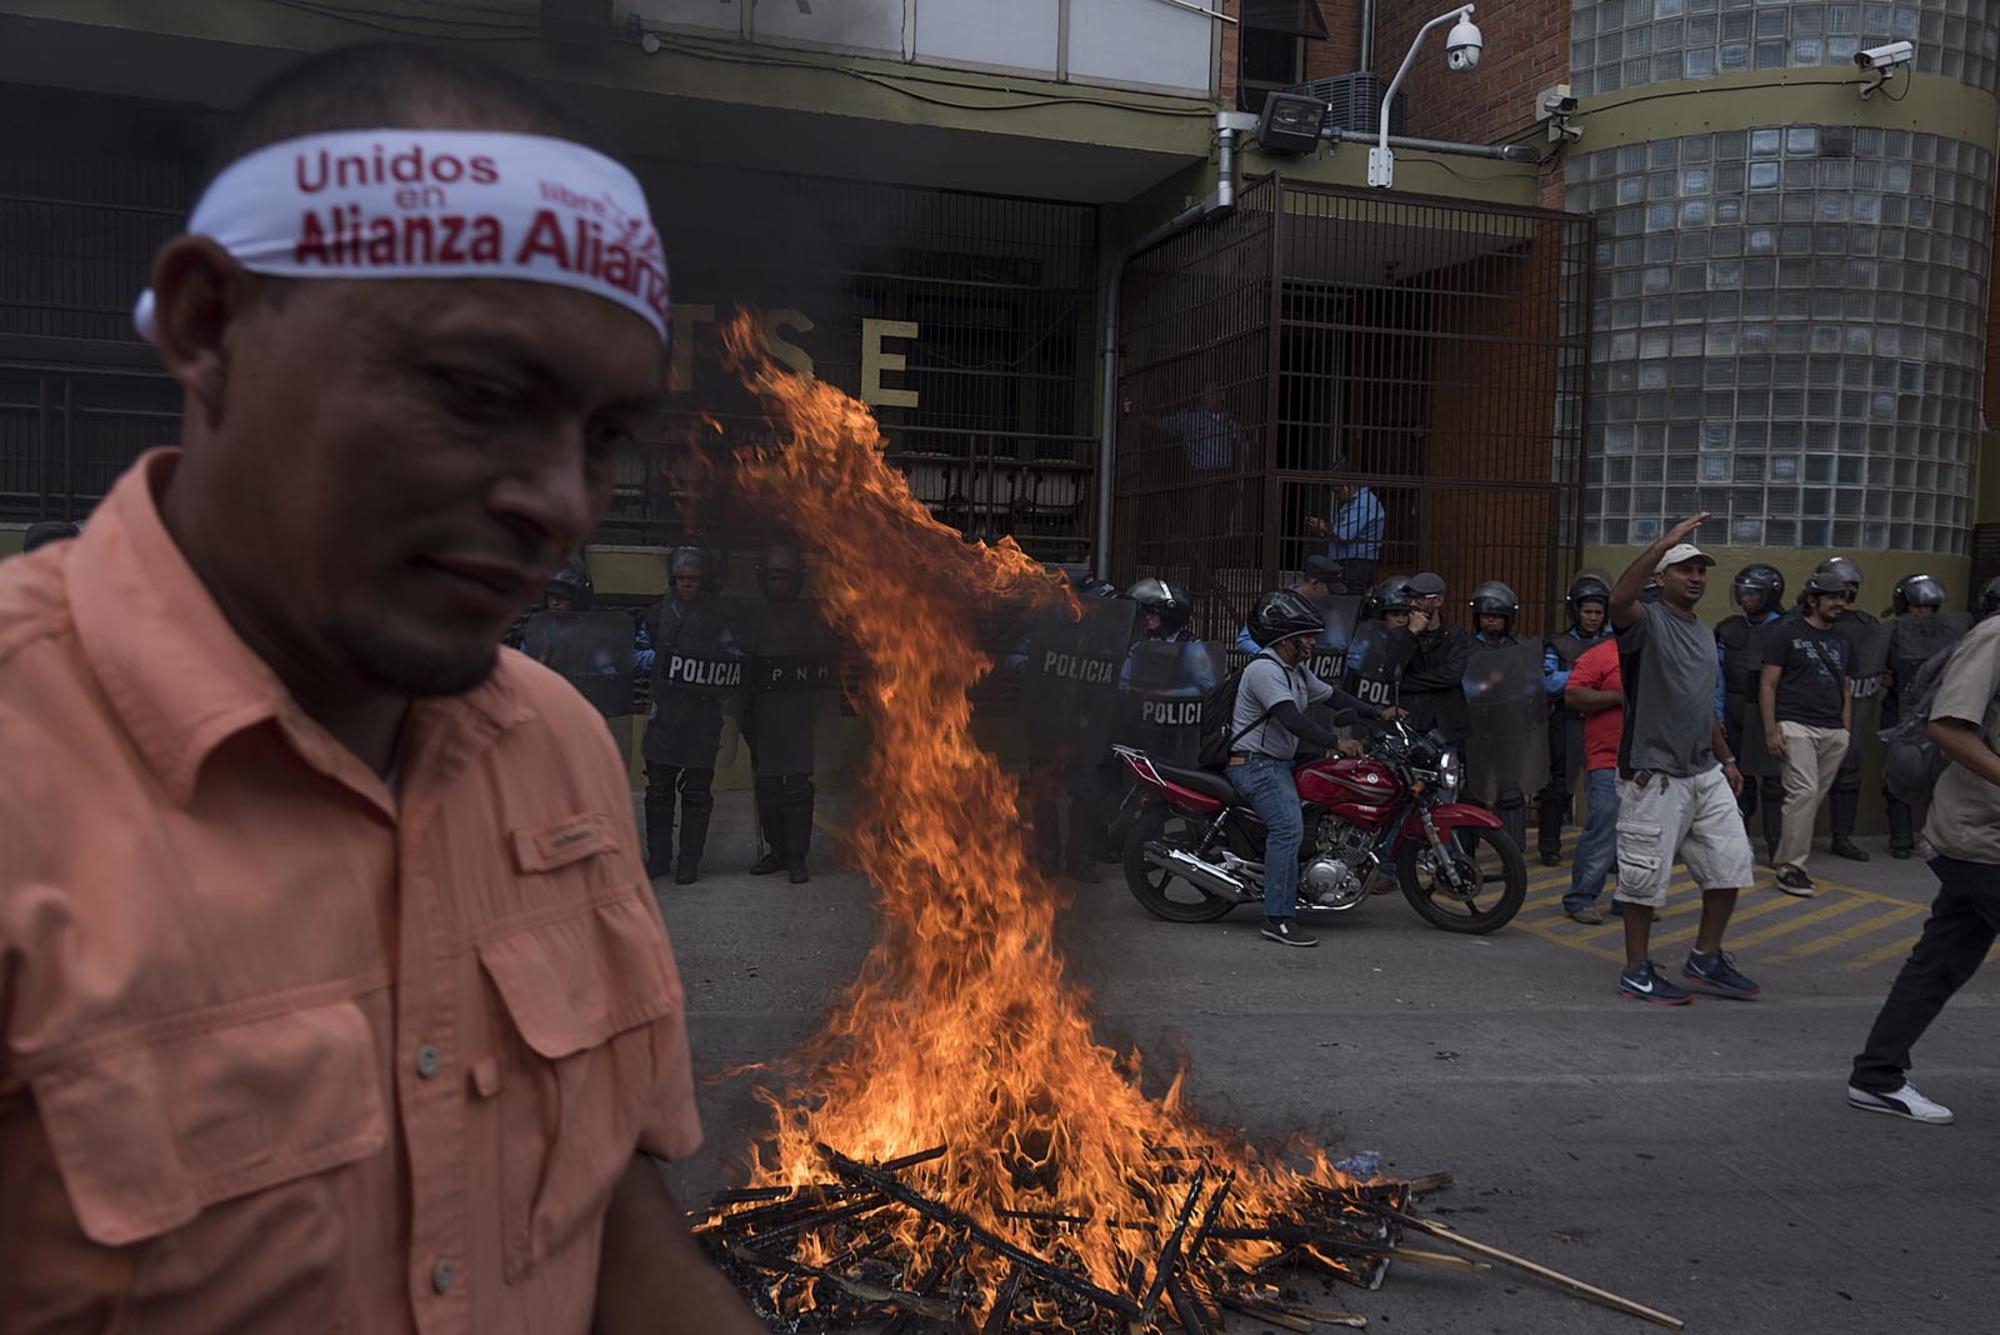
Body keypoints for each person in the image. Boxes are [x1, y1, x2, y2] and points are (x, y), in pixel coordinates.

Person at [0, 42, 759, 1334]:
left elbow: (610, 1214)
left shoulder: (560, 745)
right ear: (208, 325)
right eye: (475, 392)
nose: (562, 503)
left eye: (605, 437)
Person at [1846, 612, 2000, 1124]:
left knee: (1940, 962)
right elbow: (1948, 728)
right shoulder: (1996, 636)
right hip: (1979, 834)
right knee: (1940, 962)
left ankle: (1877, 1076)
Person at [1606, 515, 1760, 1005]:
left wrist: (1727, 758)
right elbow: (1618, 600)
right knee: (1642, 879)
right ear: (1661, 578)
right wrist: (1664, 541)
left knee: (1730, 866)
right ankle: (1636, 970)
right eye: (1683, 568)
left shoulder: (1702, 632)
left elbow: (1700, 705)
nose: (1695, 576)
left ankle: (1706, 957)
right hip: (1655, 775)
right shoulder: (1646, 622)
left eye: (1700, 570)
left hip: (1704, 772)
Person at [1229, 589, 1399, 947]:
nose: (1312, 642)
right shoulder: (1264, 669)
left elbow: (1334, 696)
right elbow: (1290, 718)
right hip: (1256, 766)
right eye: (1306, 636)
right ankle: (1278, 918)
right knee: (1287, 829)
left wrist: (1377, 713)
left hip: (1280, 762)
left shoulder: (1296, 670)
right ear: (1286, 640)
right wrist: (1336, 743)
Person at [643, 546, 737, 885]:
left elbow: (734, 658)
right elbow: (637, 651)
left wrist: (704, 664)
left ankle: (689, 861)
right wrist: (662, 662)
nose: (686, 585)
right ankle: (658, 858)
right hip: (665, 715)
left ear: (703, 583)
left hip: (702, 717)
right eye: (681, 579)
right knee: (658, 793)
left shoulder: (718, 619)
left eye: (692, 580)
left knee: (696, 794)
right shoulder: (656, 615)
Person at [1759, 570, 1854, 897]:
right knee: (1803, 792)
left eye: (1842, 597)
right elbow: (1768, 684)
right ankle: (1789, 867)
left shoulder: (1842, 640)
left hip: (1833, 730)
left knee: (1810, 798)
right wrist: (1772, 730)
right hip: (1795, 725)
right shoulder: (1786, 634)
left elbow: (1846, 686)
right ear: (1813, 600)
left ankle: (1789, 858)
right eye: (1832, 597)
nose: (1839, 603)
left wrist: (1845, 729)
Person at [1537, 572, 1615, 865]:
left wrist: (1577, 681)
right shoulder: (1558, 643)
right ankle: (1549, 845)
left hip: (1604, 722)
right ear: (1576, 611)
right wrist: (1591, 679)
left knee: (1605, 786)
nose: (1593, 617)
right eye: (1588, 612)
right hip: (1568, 720)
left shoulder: (1613, 641)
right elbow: (1547, 682)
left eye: (1598, 612)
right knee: (1559, 785)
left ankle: (1606, 850)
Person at [1715, 563, 1788, 863]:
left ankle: (1776, 848)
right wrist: (1717, 713)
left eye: (1752, 592)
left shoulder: (1786, 627)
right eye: (1742, 591)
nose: (1744, 597)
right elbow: (1717, 675)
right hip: (1733, 710)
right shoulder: (1729, 628)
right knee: (1738, 781)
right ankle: (1739, 844)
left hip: (1771, 712)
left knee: (1774, 783)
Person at [1880, 574, 1953, 858]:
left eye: (1929, 607)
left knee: (1941, 776)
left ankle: (1935, 835)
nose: (1923, 612)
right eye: (1916, 606)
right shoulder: (1891, 634)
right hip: (1899, 711)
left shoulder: (1946, 636)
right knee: (1899, 771)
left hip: (1937, 712)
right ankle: (1900, 837)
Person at [1812, 556, 1878, 862]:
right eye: (1836, 591)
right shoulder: (1799, 621)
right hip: (1809, 706)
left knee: (1848, 773)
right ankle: (1791, 841)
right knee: (1799, 781)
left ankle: (1842, 836)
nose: (1842, 598)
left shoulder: (1865, 624)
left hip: (1850, 706)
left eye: (1847, 591)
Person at [1465, 579, 1534, 852]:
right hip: (1475, 731)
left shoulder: (1519, 648)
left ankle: (1513, 851)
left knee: (1510, 793)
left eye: (1497, 617)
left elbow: (1532, 684)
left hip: (1510, 730)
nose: (1491, 621)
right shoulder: (1466, 646)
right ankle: (1465, 852)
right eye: (1486, 616)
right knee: (1472, 794)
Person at [1562, 637, 1624, 923]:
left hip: (1649, 762)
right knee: (1603, 828)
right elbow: (1573, 695)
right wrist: (1618, 697)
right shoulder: (1601, 655)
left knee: (1640, 834)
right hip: (1607, 760)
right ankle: (1581, 898)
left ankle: (1630, 898)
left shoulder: (1656, 655)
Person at [1399, 571, 1471, 747]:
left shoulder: (1456, 636)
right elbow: (1391, 672)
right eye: (1410, 598)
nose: (1413, 603)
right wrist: (1411, 634)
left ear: (1438, 601)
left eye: (1420, 598)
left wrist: (1407, 683)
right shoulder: (1400, 636)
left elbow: (1451, 675)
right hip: (1411, 722)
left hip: (1448, 724)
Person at [1233, 555, 1341, 652]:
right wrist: (1275, 658)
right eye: (1329, 589)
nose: (1331, 595)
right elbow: (1244, 640)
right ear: (1315, 583)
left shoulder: (1329, 608)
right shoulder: (1278, 603)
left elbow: (1337, 643)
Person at [1303, 473, 1384, 592]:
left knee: (1349, 603)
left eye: (1337, 491)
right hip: (1351, 563)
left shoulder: (1363, 504)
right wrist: (1323, 529)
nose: (1336, 496)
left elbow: (1344, 535)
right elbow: (1339, 532)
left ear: (1348, 487)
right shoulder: (1353, 503)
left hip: (1356, 565)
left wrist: (1324, 527)